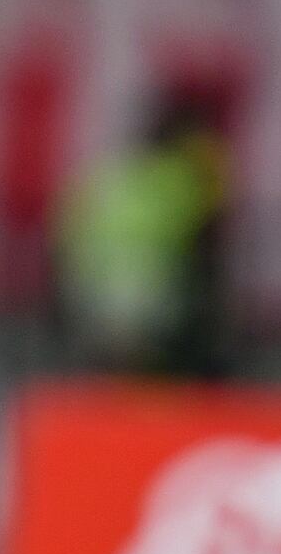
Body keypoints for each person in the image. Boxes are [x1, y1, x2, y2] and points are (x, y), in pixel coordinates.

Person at [54, 93, 228, 376]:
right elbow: (208, 241)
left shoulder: (108, 174)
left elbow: (65, 233)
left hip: (91, 300)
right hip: (154, 306)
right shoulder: (181, 179)